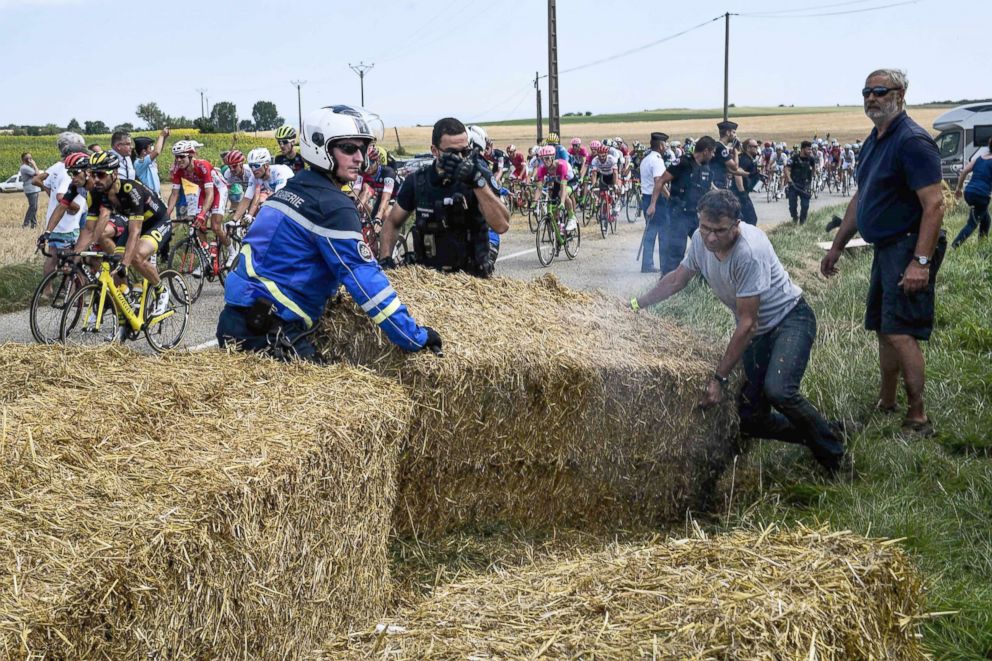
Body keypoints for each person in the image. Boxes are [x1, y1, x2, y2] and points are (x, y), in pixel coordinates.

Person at [630, 190, 848, 475]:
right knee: (748, 418)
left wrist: (719, 379)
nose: (710, 237)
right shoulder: (700, 240)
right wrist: (637, 305)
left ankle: (837, 460)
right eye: (705, 227)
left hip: (790, 319)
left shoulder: (749, 251)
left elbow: (747, 324)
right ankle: (824, 431)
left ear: (736, 224)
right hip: (759, 332)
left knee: (779, 391)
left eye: (719, 231)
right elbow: (677, 279)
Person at [219, 104, 442, 360]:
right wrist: (414, 337)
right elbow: (364, 280)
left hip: (236, 321)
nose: (359, 157)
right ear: (320, 149)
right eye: (348, 148)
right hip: (269, 332)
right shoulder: (332, 205)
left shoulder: (293, 188)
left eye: (363, 148)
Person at [821, 68, 946, 437]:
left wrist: (920, 261)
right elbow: (863, 198)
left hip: (908, 245)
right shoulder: (875, 140)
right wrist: (837, 245)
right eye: (866, 92)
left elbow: (935, 204)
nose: (872, 98)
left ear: (900, 95)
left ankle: (918, 416)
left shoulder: (912, 141)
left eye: (880, 91)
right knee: (883, 327)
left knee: (901, 330)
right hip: (886, 248)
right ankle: (887, 402)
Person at [378, 117, 510, 277]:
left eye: (465, 152)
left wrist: (476, 182)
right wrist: (385, 260)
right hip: (429, 279)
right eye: (453, 153)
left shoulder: (480, 177)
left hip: (472, 280)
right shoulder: (417, 181)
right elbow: (392, 222)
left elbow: (502, 225)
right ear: (435, 151)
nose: (460, 158)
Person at [86, 151, 173, 316]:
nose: (96, 179)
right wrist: (82, 251)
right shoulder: (97, 193)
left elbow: (135, 232)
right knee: (116, 261)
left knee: (135, 256)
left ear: (115, 174)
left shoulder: (130, 189)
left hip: (157, 222)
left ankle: (161, 290)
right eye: (93, 174)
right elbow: (90, 228)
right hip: (134, 222)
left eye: (101, 174)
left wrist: (125, 265)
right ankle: (128, 301)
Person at [165, 140, 236, 267]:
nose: (178, 160)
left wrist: (202, 213)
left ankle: (232, 252)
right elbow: (174, 194)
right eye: (176, 157)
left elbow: (211, 193)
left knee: (215, 226)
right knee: (198, 226)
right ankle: (206, 258)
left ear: (190, 156)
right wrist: (166, 215)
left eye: (182, 156)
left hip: (218, 190)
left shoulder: (202, 166)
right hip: (204, 191)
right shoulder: (178, 170)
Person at [656, 135, 716, 274]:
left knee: (706, 247)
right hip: (679, 214)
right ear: (706, 151)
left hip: (697, 215)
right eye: (712, 152)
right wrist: (653, 204)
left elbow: (708, 187)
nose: (713, 156)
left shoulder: (705, 168)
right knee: (676, 251)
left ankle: (703, 281)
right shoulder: (683, 162)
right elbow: (660, 181)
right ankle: (668, 282)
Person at [232, 148, 294, 222]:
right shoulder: (254, 177)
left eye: (256, 165)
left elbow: (279, 200)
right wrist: (234, 220)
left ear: (266, 165)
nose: (253, 169)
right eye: (251, 165)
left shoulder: (280, 172)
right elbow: (247, 198)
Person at [951, 137, 992, 248]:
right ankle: (954, 246)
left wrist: (958, 189)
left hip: (969, 192)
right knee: (972, 223)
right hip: (981, 195)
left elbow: (964, 171)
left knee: (986, 219)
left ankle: (982, 245)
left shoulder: (980, 158)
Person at [639, 132, 669, 273]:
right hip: (656, 200)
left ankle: (647, 263)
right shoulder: (657, 160)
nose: (667, 146)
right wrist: (669, 196)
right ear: (661, 145)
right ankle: (665, 264)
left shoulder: (646, 159)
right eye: (665, 144)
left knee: (650, 231)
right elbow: (659, 182)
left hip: (646, 197)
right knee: (663, 232)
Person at [784, 141, 817, 224]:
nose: (810, 151)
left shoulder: (811, 159)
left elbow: (814, 169)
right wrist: (789, 179)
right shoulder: (794, 158)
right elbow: (786, 169)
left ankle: (802, 222)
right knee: (792, 206)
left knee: (805, 206)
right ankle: (795, 218)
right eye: (808, 149)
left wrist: (813, 176)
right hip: (794, 185)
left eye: (811, 149)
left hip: (805, 186)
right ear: (802, 149)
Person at [133, 128, 169, 194]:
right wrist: (161, 136)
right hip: (148, 198)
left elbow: (159, 150)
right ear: (144, 151)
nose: (152, 150)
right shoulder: (139, 163)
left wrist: (164, 137)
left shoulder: (149, 160)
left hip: (156, 195)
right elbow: (156, 151)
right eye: (150, 148)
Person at [737, 139, 761, 225]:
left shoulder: (748, 159)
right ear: (748, 148)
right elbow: (738, 173)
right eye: (755, 146)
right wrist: (742, 191)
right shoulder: (745, 159)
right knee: (751, 218)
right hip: (740, 194)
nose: (757, 148)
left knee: (745, 218)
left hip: (743, 192)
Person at [19, 152, 42, 229]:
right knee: (33, 207)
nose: (30, 159)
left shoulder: (27, 167)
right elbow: (37, 174)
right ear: (25, 159)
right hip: (31, 189)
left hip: (34, 189)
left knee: (34, 207)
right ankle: (25, 224)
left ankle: (34, 224)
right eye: (29, 158)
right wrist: (34, 164)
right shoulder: (25, 167)